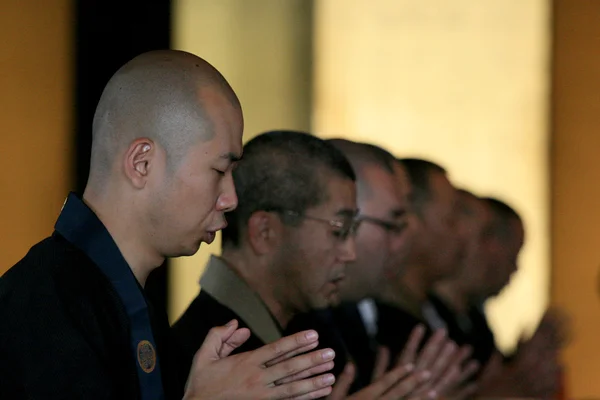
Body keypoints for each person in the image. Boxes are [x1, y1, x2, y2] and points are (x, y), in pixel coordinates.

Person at [0, 50, 337, 400]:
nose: (231, 199)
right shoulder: (43, 308)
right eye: (220, 171)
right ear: (142, 163)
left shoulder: (128, 300)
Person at [172, 131, 444, 399]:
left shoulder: (304, 330)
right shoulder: (209, 360)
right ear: (265, 232)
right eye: (339, 230)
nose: (349, 254)